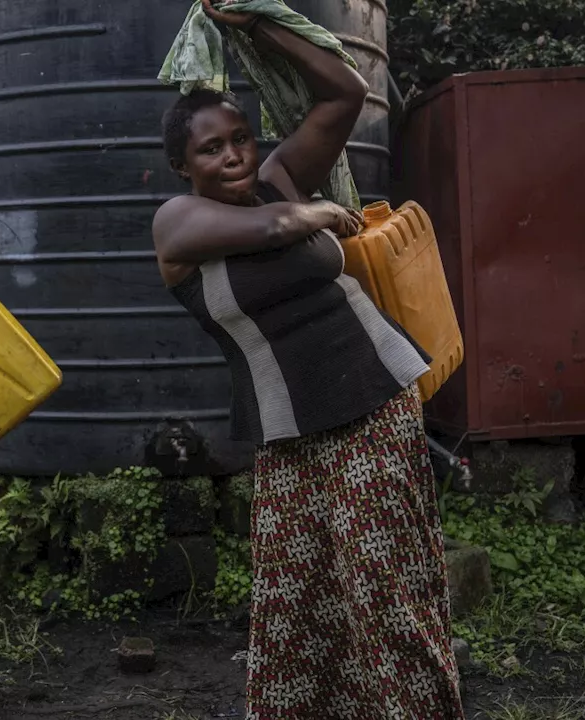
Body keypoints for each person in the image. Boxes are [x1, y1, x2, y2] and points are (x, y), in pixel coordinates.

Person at [152, 2, 464, 718]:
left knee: (387, 589)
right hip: (290, 433)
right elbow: (267, 228)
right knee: (297, 607)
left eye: (240, 137)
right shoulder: (178, 223)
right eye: (211, 149)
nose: (234, 155)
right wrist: (321, 213)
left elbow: (346, 91)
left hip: (371, 402)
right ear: (182, 166)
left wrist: (253, 24)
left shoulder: (283, 172)